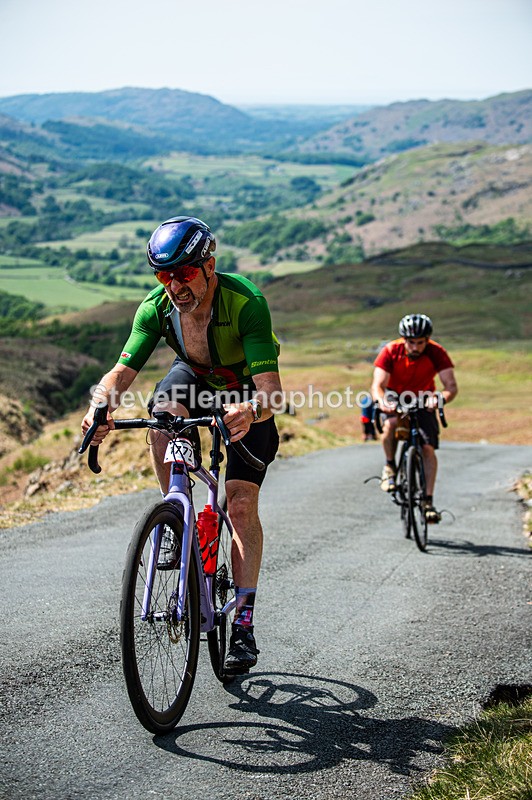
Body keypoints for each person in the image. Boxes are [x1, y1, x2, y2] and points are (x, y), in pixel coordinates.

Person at [81, 216, 282, 673]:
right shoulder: (155, 307)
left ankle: (244, 625)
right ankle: (176, 515)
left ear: (209, 265)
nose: (175, 285)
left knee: (240, 505)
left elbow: (271, 393)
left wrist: (249, 411)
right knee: (161, 420)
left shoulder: (246, 302)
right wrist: (99, 406)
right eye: (164, 275)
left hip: (245, 391)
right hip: (193, 379)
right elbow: (120, 373)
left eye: (185, 272)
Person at [371, 313, 458, 523]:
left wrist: (440, 399)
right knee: (391, 425)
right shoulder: (391, 350)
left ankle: (428, 501)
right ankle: (390, 466)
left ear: (427, 340)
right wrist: (383, 401)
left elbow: (451, 387)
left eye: (420, 342)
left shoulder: (437, 352)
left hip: (424, 398)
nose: (415, 347)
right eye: (411, 342)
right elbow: (378, 386)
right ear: (404, 339)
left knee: (427, 448)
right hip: (394, 395)